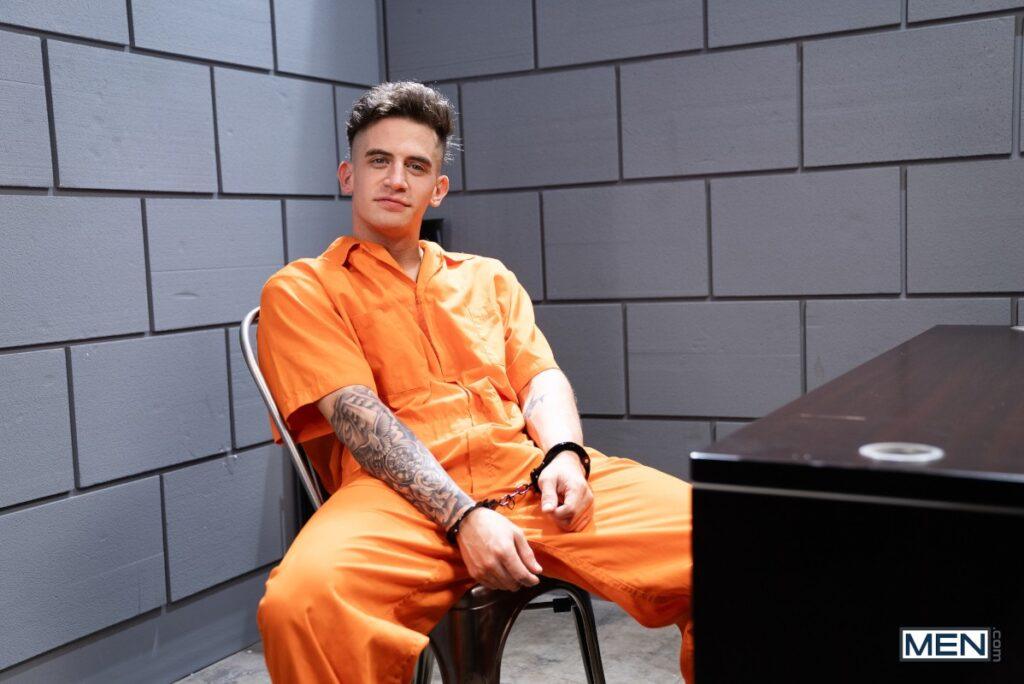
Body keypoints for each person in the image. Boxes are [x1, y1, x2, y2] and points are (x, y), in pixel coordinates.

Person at [255, 81, 694, 683]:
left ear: (437, 188)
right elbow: (359, 419)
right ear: (347, 175)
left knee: (738, 541)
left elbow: (541, 378)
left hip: (526, 480)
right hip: (394, 501)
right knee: (300, 605)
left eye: (416, 166)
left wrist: (566, 456)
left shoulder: (487, 278)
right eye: (378, 161)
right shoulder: (302, 288)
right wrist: (463, 518)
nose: (396, 179)